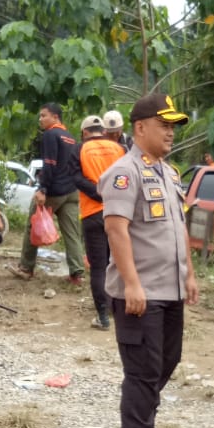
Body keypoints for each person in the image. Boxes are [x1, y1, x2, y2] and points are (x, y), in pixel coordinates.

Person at [99, 93, 199, 428]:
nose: (171, 132)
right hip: (139, 291)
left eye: (174, 125)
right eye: (165, 124)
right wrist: (132, 283)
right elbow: (115, 229)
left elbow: (178, 228)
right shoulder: (125, 172)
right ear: (140, 128)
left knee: (166, 361)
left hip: (169, 287)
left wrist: (189, 274)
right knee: (142, 370)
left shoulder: (169, 173)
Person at [10, 103, 85, 283]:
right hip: (72, 192)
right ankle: (77, 273)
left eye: (44, 115)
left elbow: (49, 164)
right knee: (72, 233)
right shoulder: (70, 137)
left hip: (54, 190)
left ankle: (26, 268)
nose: (40, 119)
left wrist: (43, 189)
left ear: (55, 117)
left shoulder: (51, 134)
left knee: (32, 223)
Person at [73, 114, 126, 330]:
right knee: (120, 261)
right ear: (103, 130)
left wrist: (98, 194)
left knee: (98, 266)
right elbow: (127, 177)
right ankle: (121, 309)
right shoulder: (120, 149)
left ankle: (103, 316)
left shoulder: (78, 150)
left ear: (85, 132)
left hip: (93, 215)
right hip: (120, 212)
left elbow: (76, 178)